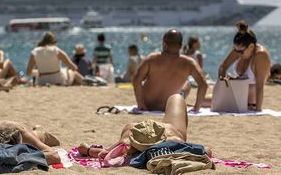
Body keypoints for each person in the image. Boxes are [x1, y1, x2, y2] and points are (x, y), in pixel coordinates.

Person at [78, 94, 212, 158]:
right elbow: (206, 150)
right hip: (164, 131)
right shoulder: (174, 143)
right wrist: (87, 149)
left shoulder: (127, 146)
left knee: (176, 98)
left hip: (148, 132)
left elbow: (87, 149)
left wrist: (88, 150)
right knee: (176, 98)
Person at [133, 29, 208, 111]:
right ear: (181, 46)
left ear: (164, 44)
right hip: (168, 106)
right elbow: (203, 84)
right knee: (187, 84)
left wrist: (140, 103)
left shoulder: (152, 58)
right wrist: (196, 107)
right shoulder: (189, 63)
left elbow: (136, 80)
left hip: (147, 104)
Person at [217, 21, 271, 111]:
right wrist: (223, 82)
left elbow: (259, 86)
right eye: (235, 50)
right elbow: (223, 67)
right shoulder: (240, 49)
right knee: (203, 100)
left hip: (250, 103)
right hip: (235, 97)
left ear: (251, 47)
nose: (238, 53)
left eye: (241, 51)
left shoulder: (260, 56)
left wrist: (258, 110)